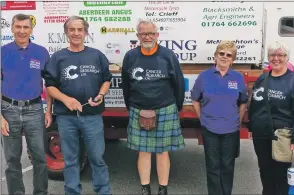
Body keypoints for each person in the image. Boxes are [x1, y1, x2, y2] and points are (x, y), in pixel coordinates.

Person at [43, 16, 112, 195]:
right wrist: (66, 99)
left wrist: (101, 94)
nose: (76, 33)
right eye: (72, 30)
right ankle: (72, 191)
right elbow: (49, 86)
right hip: (66, 118)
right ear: (66, 32)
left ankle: (103, 191)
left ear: (85, 32)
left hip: (92, 116)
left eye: (79, 30)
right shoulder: (58, 58)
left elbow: (106, 80)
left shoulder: (96, 55)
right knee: (71, 159)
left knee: (97, 158)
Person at [121, 20, 185, 195]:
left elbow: (178, 83)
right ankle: (145, 187)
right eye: (143, 34)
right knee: (144, 151)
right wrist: (132, 105)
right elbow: (126, 85)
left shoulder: (168, 56)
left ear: (157, 35)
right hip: (139, 108)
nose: (147, 37)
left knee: (162, 152)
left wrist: (175, 106)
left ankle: (163, 188)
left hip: (165, 107)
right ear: (138, 36)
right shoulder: (130, 56)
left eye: (150, 33)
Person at [1, 13, 53, 195]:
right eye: (18, 27)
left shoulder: (41, 52)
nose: (22, 31)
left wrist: (48, 111)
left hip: (35, 109)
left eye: (25, 27)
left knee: (39, 157)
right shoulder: (3, 52)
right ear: (12, 28)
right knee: (12, 159)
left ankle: (41, 192)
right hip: (8, 110)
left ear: (31, 29)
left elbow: (50, 84)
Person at [191, 40, 248, 195]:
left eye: (228, 55)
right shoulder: (204, 76)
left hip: (230, 129)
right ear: (215, 56)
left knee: (228, 165)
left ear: (233, 59)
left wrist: (238, 121)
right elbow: (195, 100)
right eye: (221, 54)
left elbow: (243, 103)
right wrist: (202, 119)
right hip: (210, 128)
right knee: (213, 166)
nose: (224, 57)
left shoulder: (237, 77)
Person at [248, 41, 294, 195]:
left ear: (287, 58)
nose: (276, 58)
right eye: (272, 55)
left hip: (282, 136)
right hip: (261, 135)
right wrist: (252, 126)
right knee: (265, 172)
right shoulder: (263, 78)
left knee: (281, 175)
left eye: (281, 55)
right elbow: (255, 103)